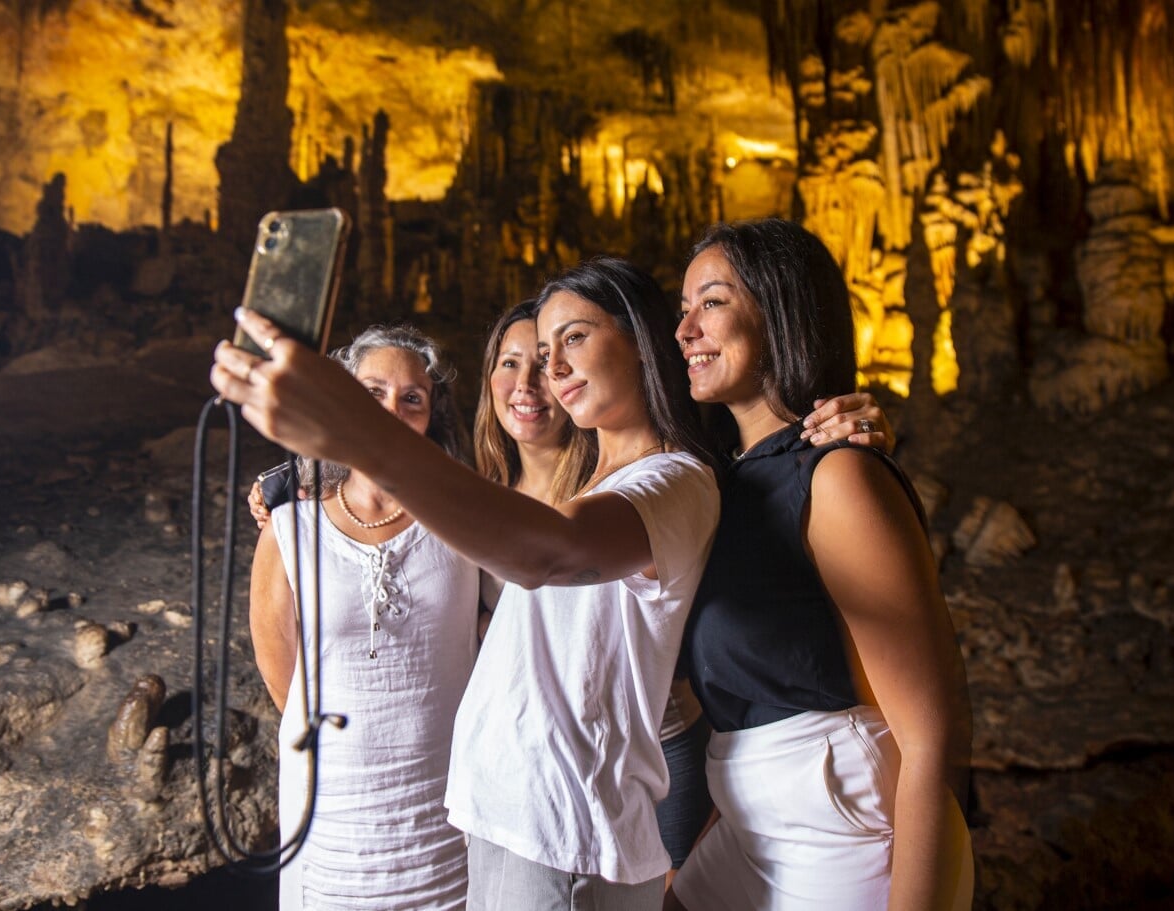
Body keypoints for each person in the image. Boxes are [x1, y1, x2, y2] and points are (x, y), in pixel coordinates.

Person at [215, 256, 720, 909]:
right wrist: (301, 484)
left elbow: (545, 551)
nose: (552, 369)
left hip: (563, 837)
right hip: (503, 826)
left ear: (642, 338)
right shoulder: (584, 488)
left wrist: (354, 432)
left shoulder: (670, 480)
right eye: (540, 351)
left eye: (574, 338)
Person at [668, 218, 974, 910]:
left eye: (711, 303)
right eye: (682, 310)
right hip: (748, 819)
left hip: (836, 830)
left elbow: (930, 731)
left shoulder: (837, 479)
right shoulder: (719, 484)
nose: (685, 331)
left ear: (780, 313)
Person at [248, 325, 479, 910]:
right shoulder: (290, 529)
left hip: (440, 802)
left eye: (412, 399)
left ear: (432, 417)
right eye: (372, 393)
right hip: (334, 807)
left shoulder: (468, 521)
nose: (391, 411)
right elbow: (283, 675)